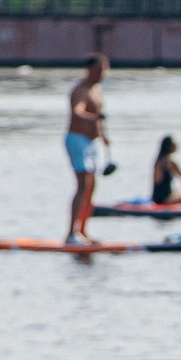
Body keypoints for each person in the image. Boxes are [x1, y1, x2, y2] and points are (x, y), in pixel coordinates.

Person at [63, 53, 109, 241]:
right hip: (77, 139)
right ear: (89, 70)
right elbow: (78, 112)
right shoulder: (80, 89)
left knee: (91, 187)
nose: (102, 74)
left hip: (91, 142)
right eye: (99, 70)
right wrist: (94, 118)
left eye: (104, 70)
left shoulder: (97, 89)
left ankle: (82, 231)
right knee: (82, 185)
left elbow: (98, 115)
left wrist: (103, 136)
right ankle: (70, 233)